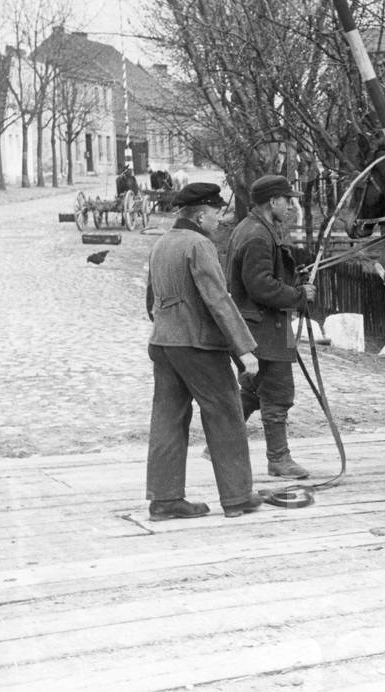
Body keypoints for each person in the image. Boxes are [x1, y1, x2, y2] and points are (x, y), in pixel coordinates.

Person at [145, 182, 264, 520]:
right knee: (226, 413)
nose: (219, 220)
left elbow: (151, 302)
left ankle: (165, 501)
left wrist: (170, 323)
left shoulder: (161, 244)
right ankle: (238, 497)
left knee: (168, 419)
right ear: (199, 215)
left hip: (163, 343)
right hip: (198, 346)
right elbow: (218, 299)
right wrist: (245, 350)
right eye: (215, 213)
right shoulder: (199, 245)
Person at [226, 174, 316, 479]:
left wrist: (292, 280)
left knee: (253, 389)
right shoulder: (257, 235)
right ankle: (279, 459)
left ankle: (219, 444)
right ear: (272, 202)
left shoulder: (254, 228)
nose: (290, 206)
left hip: (255, 327)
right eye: (287, 200)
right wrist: (299, 295)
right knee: (277, 392)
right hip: (263, 329)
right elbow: (261, 287)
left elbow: (264, 278)